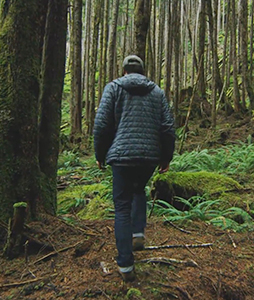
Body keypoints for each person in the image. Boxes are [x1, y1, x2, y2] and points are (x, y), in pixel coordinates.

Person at [94, 54, 176, 282]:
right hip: (148, 158)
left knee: (121, 206)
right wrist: (166, 157)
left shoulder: (113, 88)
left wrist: (99, 154)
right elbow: (168, 127)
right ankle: (138, 233)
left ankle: (126, 265)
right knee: (139, 190)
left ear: (124, 71)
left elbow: (101, 125)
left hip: (121, 157)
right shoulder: (157, 92)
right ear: (142, 71)